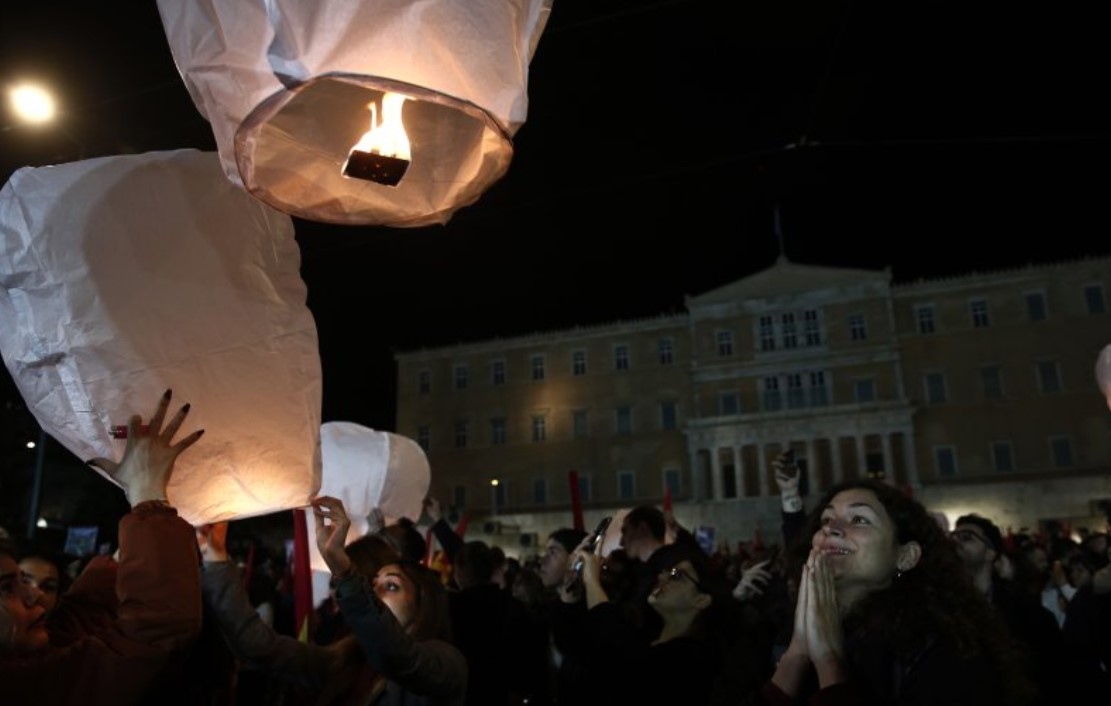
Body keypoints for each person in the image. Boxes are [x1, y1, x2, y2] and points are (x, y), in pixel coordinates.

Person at [0, 388, 205, 705]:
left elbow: (82, 616)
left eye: (20, 581)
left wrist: (147, 498)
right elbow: (156, 632)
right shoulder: (18, 687)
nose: (34, 594)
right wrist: (148, 496)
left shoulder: (32, 651)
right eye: (6, 588)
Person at [760, 479, 1036, 706]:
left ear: (905, 556)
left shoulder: (946, 650)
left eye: (858, 519)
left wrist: (830, 664)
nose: (831, 528)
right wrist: (796, 656)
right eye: (826, 519)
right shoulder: (783, 637)